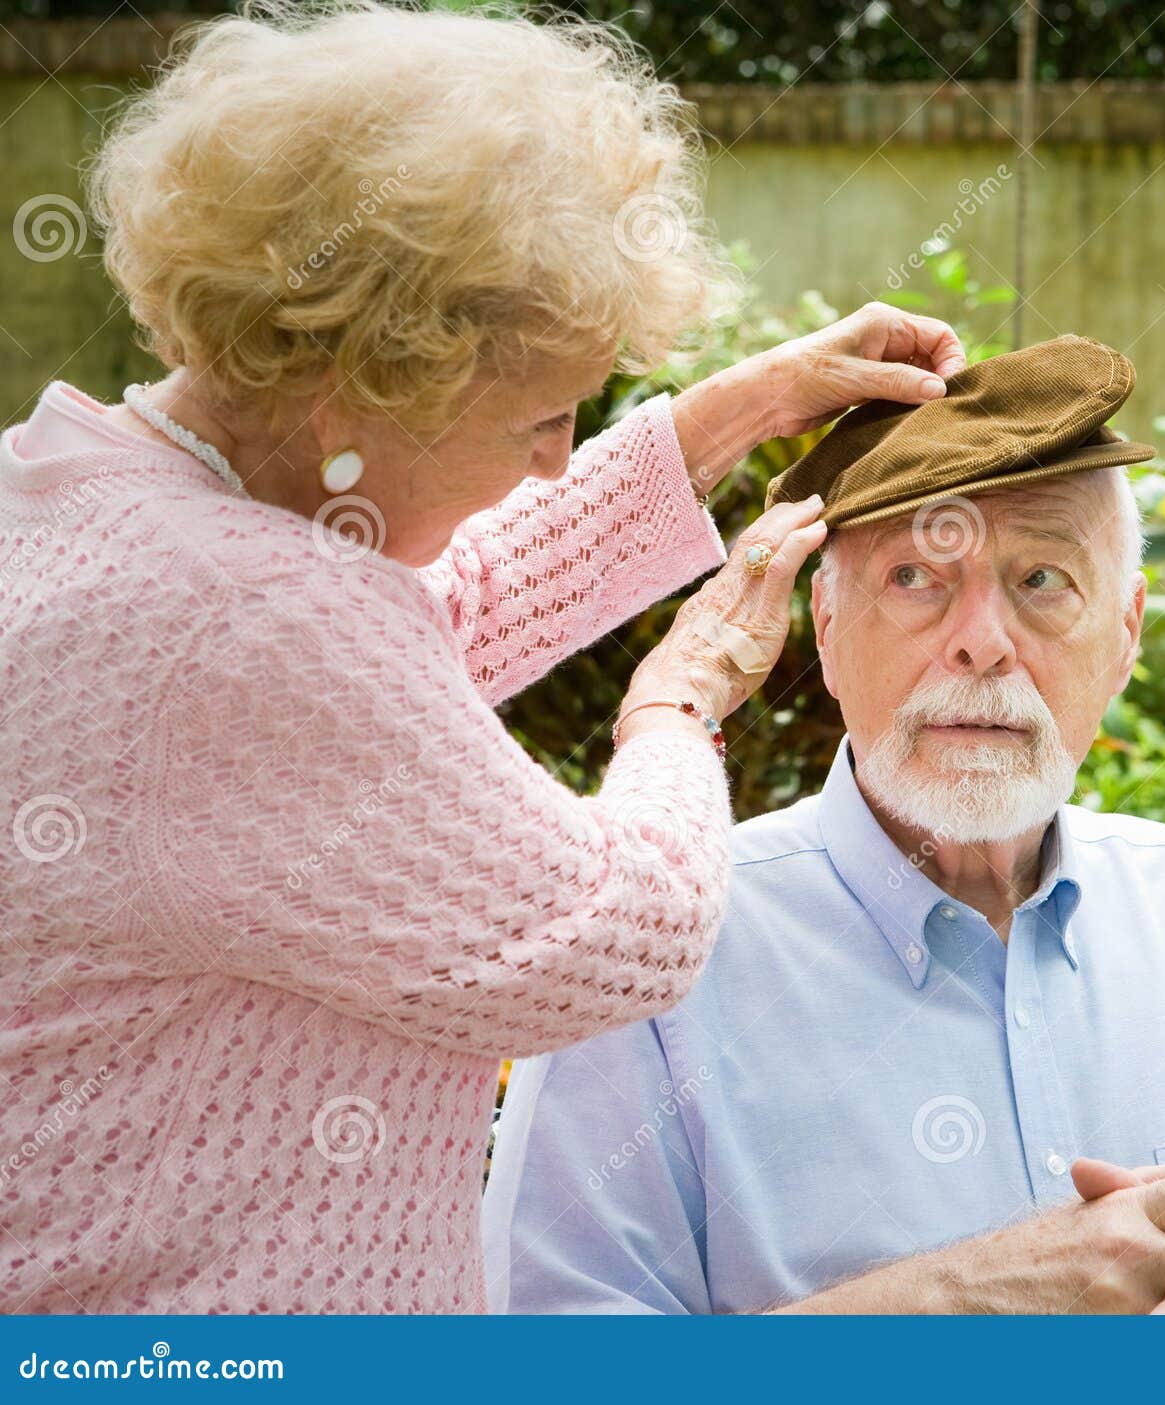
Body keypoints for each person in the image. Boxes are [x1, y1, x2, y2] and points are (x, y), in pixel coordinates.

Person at [0, 1, 964, 1313]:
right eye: (542, 417)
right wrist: (679, 705)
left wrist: (743, 408)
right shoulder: (265, 616)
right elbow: (616, 933)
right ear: (374, 384)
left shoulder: (78, 489)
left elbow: (431, 620)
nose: (555, 460)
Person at [486, 336, 1165, 1315]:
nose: (982, 643)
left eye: (1043, 579)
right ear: (823, 629)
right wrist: (961, 1301)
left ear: (1125, 633)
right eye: (916, 578)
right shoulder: (650, 967)